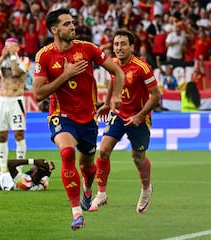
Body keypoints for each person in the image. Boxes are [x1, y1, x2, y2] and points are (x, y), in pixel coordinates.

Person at [32, 8, 125, 230]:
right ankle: (76, 213)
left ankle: (88, 188)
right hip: (61, 116)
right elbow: (38, 94)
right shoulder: (44, 56)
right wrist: (66, 75)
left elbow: (118, 72)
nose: (72, 26)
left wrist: (115, 95)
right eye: (66, 24)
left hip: (88, 119)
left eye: (73, 23)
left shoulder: (88, 49)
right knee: (67, 153)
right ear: (54, 29)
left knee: (88, 167)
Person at [88, 30, 161, 215]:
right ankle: (102, 194)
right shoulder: (113, 63)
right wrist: (106, 103)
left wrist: (139, 115)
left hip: (139, 117)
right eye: (116, 44)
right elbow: (114, 80)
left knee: (138, 158)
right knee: (103, 150)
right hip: (118, 113)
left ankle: (146, 188)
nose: (119, 48)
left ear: (131, 47)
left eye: (123, 44)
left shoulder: (142, 67)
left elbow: (156, 96)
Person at [0, 37, 29, 173]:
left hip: (16, 100)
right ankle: (3, 169)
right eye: (6, 46)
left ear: (17, 48)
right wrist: (1, 57)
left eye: (10, 47)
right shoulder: (2, 61)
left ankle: (19, 170)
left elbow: (16, 73)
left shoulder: (24, 61)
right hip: (2, 101)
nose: (8, 49)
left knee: (18, 134)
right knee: (1, 135)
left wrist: (12, 56)